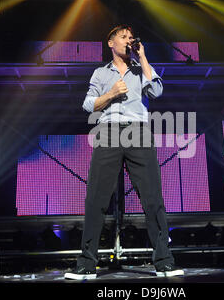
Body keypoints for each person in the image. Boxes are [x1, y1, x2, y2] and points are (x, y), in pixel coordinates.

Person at [64, 25, 183, 280]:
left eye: (131, 37)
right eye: (124, 37)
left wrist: (142, 57)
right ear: (111, 43)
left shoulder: (140, 70)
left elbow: (157, 91)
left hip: (138, 132)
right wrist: (111, 94)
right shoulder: (100, 73)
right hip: (108, 131)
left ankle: (164, 261)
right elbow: (88, 105)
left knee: (152, 198)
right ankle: (86, 263)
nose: (129, 40)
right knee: (96, 199)